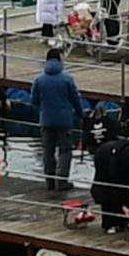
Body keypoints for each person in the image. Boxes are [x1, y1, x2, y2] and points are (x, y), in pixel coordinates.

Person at [31, 47, 84, 194]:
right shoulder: (67, 79)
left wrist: (41, 112)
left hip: (46, 121)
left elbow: (34, 100)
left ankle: (49, 180)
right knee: (65, 151)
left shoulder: (39, 79)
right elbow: (75, 99)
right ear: (60, 61)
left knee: (47, 151)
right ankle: (61, 180)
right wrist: (80, 115)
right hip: (64, 121)